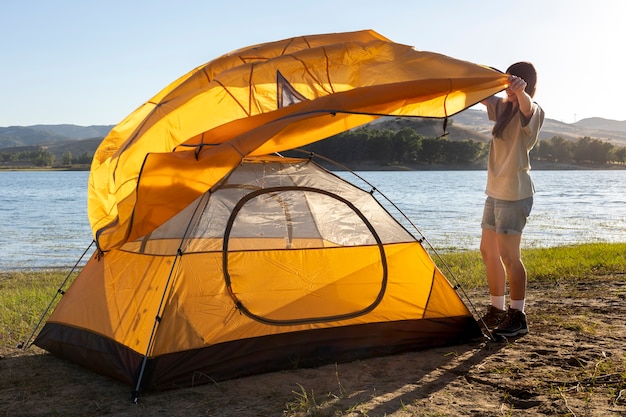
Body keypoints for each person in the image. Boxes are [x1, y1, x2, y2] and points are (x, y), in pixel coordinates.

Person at [479, 62, 545, 337]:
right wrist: (489, 77)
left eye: (514, 83)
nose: (509, 88)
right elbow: (481, 94)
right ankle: (497, 310)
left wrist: (522, 92)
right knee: (488, 251)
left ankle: (518, 317)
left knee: (509, 256)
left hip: (515, 194)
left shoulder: (533, 110)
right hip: (494, 193)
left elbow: (528, 105)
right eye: (507, 82)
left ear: (525, 84)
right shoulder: (502, 108)